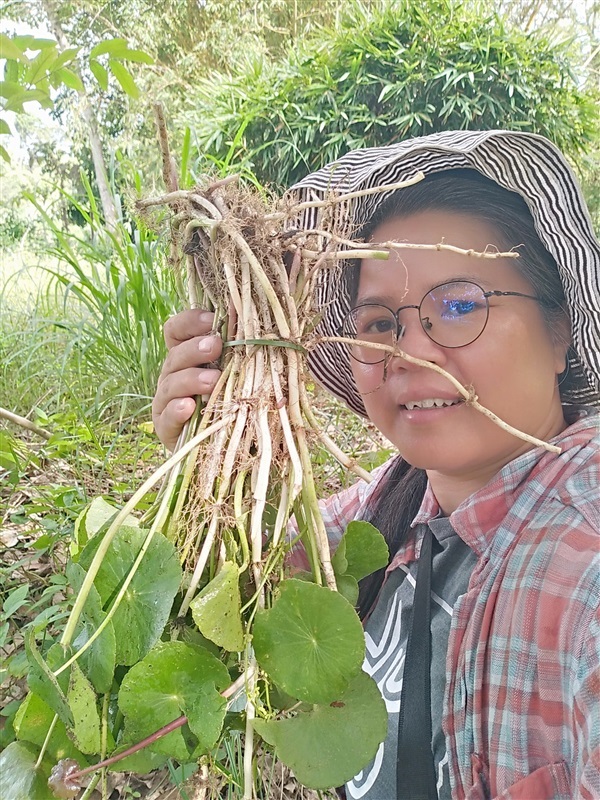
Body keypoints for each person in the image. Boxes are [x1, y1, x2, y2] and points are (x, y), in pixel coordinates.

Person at [151, 131, 600, 800]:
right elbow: (240, 592)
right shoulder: (392, 507)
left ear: (560, 331)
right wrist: (206, 453)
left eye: (459, 306)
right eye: (380, 323)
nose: (411, 352)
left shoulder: (581, 553)